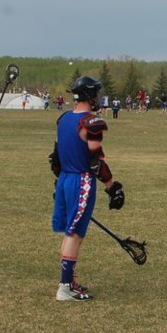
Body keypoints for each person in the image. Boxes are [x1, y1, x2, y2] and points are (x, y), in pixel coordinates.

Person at [50, 76, 125, 301]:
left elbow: (56, 158)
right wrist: (112, 185)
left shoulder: (64, 119)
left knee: (69, 232)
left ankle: (69, 281)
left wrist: (60, 181)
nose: (98, 98)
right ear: (88, 95)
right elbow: (95, 161)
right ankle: (65, 287)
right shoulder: (90, 122)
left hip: (65, 178)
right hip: (80, 180)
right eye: (96, 94)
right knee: (75, 234)